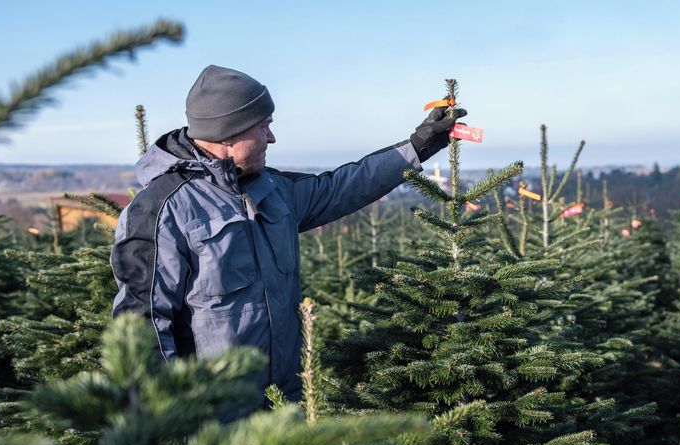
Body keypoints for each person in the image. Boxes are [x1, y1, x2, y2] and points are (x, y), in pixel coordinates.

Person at [111, 65, 463, 403]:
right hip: (214, 424)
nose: (271, 137)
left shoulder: (274, 189)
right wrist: (166, 424)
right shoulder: (162, 209)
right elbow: (142, 325)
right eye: (263, 127)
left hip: (284, 408)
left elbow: (345, 186)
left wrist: (419, 146)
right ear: (230, 133)